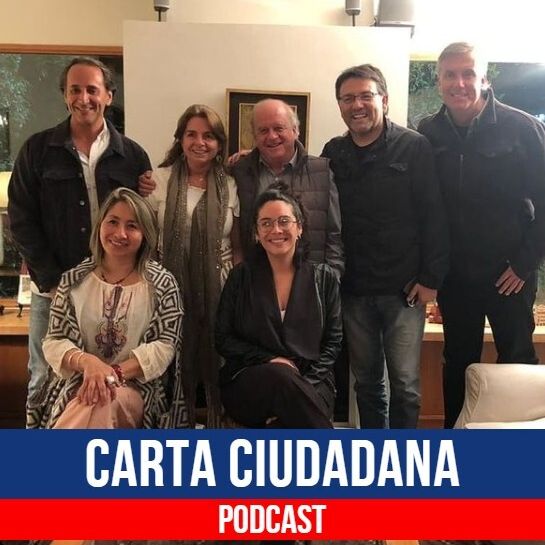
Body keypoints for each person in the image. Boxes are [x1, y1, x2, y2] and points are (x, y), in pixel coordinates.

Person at [7, 56, 154, 424]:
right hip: (53, 290)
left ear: (109, 95)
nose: (83, 98)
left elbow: (142, 220)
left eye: (92, 89)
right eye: (75, 89)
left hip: (112, 294)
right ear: (65, 95)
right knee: (43, 378)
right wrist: (51, 280)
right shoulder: (37, 151)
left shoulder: (132, 155)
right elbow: (21, 219)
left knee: (107, 383)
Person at [418, 42, 545, 428]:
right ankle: (457, 447)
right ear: (439, 81)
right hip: (456, 277)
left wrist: (524, 264)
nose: (459, 83)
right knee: (458, 362)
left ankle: (517, 450)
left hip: (510, 274)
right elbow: (426, 206)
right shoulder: (428, 131)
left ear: (484, 79)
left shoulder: (523, 128)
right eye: (450, 75)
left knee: (517, 362)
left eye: (468, 74)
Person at [322, 64, 449, 429]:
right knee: (367, 384)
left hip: (404, 290)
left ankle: (403, 457)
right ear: (340, 105)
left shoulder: (414, 146)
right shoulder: (333, 152)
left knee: (405, 386)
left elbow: (434, 215)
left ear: (385, 100)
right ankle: (374, 455)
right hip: (354, 289)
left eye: (366, 95)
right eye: (348, 98)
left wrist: (431, 279)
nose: (357, 105)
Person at [33, 188, 186, 429]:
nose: (120, 233)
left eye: (132, 226)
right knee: (94, 403)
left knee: (101, 401)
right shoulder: (74, 280)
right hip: (77, 382)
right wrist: (87, 363)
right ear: (100, 225)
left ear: (145, 233)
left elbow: (165, 348)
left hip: (138, 387)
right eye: (113, 222)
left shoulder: (162, 284)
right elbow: (54, 341)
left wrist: (111, 374)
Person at [215, 185, 342, 428]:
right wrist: (271, 359)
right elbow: (223, 339)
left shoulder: (324, 278)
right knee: (281, 376)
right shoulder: (240, 277)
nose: (276, 230)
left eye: (284, 221)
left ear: (300, 227)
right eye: (266, 223)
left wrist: (302, 384)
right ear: (256, 233)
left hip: (313, 379)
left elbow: (332, 343)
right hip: (250, 380)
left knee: (284, 424)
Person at [149, 104, 241, 429]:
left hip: (220, 285)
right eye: (191, 134)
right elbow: (147, 240)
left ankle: (218, 426)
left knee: (219, 360)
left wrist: (238, 292)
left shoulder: (232, 184)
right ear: (180, 138)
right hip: (169, 287)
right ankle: (176, 426)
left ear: (219, 143)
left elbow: (238, 245)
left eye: (208, 136)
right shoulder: (158, 180)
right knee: (172, 358)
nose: (199, 142)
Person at [232, 98, 344, 279]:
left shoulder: (321, 171)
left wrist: (331, 278)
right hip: (257, 282)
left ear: (295, 130)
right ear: (254, 136)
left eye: (279, 128)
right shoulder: (239, 172)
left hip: (311, 281)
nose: (272, 136)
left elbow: (334, 235)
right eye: (263, 130)